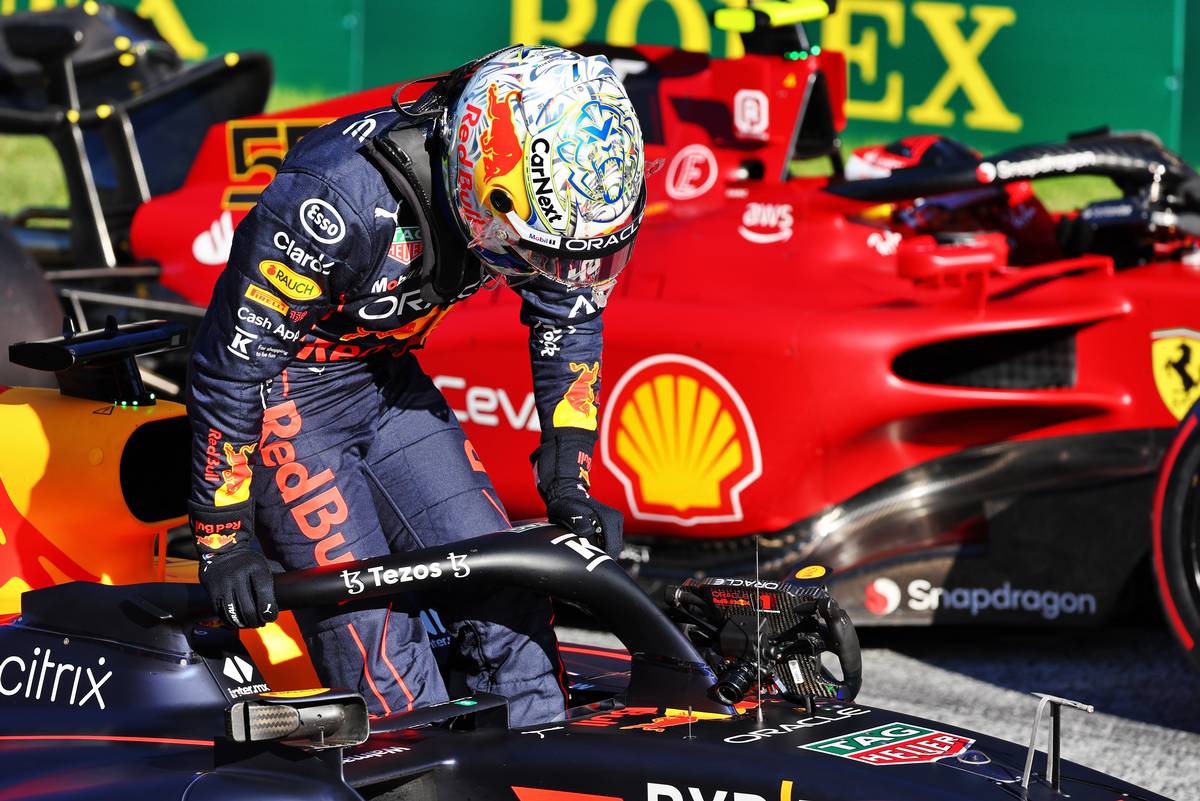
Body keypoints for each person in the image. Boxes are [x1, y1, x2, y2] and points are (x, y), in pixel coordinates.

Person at [186, 45, 645, 726]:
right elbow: (231, 364)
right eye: (540, 250)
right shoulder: (334, 199)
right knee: (377, 641)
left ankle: (541, 765)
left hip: (386, 378)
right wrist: (223, 536)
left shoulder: (543, 198)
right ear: (479, 179)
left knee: (508, 585)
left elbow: (569, 311)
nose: (551, 267)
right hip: (282, 395)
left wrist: (569, 476)